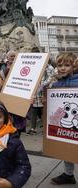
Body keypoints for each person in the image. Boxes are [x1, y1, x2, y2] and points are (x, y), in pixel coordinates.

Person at [50, 53, 78, 185]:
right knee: (67, 147)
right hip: (64, 124)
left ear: (74, 66)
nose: (62, 68)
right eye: (60, 65)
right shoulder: (56, 84)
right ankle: (68, 174)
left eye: (66, 65)